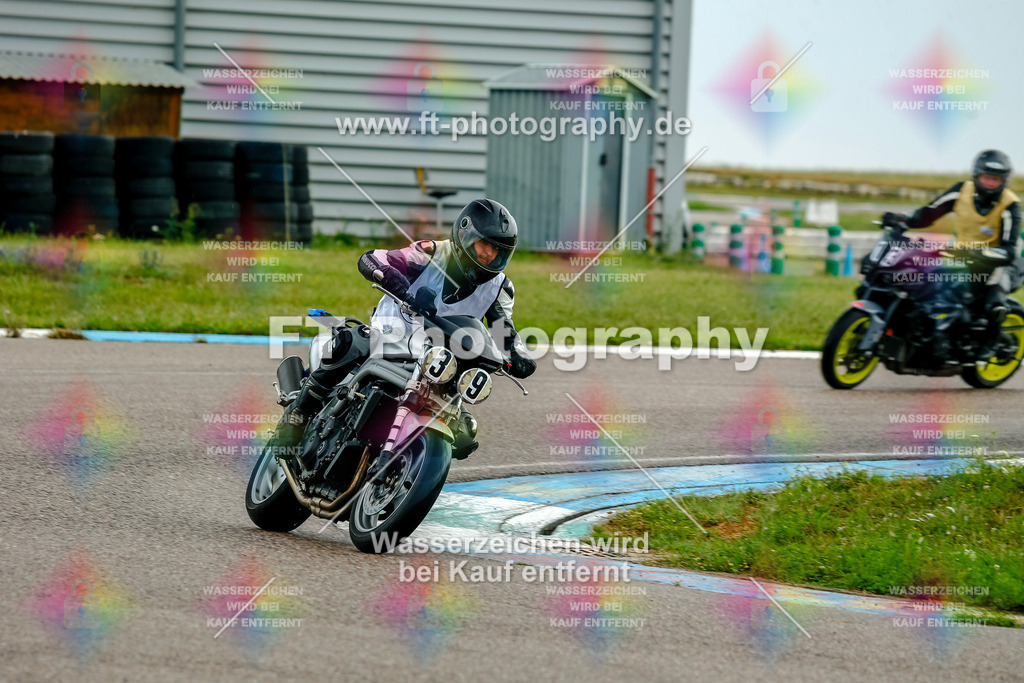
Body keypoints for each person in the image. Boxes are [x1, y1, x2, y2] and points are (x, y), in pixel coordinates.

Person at [277, 198, 536, 452]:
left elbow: (505, 330)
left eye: (497, 251)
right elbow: (373, 258)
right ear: (465, 235)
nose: (489, 255)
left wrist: (518, 355)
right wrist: (395, 280)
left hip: (439, 361)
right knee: (349, 343)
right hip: (392, 336)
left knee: (466, 433)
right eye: (484, 245)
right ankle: (298, 413)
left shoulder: (500, 287)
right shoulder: (431, 253)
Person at [883, 149, 1021, 358]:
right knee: (922, 282)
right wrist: (904, 220)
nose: (990, 183)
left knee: (995, 302)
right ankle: (929, 333)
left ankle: (990, 343)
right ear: (976, 175)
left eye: (996, 179)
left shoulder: (1010, 205)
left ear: (1004, 181)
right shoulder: (961, 191)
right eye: (986, 178)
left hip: (1000, 262)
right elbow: (928, 214)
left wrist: (980, 253)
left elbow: (1009, 250)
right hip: (962, 256)